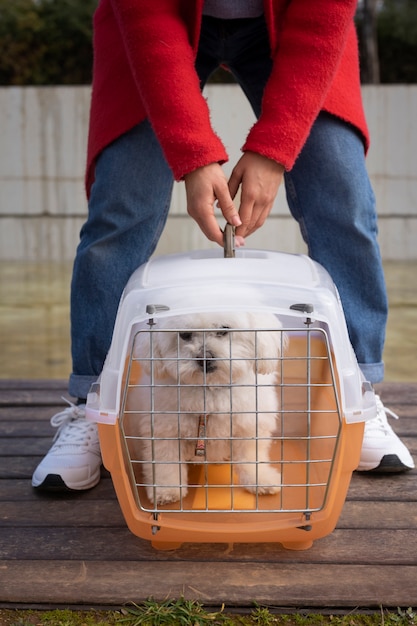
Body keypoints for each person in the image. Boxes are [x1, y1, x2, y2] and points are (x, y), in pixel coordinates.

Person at [32, 0, 414, 491]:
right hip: (153, 23)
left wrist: (275, 149)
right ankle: (92, 402)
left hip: (296, 25)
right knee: (119, 213)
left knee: (345, 203)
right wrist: (193, 153)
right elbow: (145, 13)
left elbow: (323, 14)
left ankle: (357, 391)